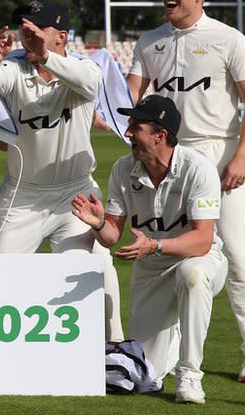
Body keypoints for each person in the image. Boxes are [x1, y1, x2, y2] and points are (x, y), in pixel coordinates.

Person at [127, 0, 245, 384]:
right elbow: (130, 95)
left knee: (237, 253)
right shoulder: (150, 42)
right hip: (166, 159)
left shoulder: (228, 39)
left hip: (217, 154)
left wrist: (240, 156)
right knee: (171, 255)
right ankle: (160, 356)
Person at [0, 0, 123, 341]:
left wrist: (46, 57)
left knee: (91, 270)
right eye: (25, 30)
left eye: (38, 30)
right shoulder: (15, 69)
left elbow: (92, 86)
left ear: (61, 35)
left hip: (75, 196)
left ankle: (113, 351)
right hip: (23, 194)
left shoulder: (84, 69)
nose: (30, 36)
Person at [72, 95, 226, 404]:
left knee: (191, 275)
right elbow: (113, 237)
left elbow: (202, 240)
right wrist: (99, 223)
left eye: (135, 127)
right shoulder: (123, 168)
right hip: (151, 268)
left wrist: (155, 244)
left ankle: (190, 376)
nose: (128, 133)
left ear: (160, 135)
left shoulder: (198, 169)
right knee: (145, 372)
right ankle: (178, 327)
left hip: (200, 258)